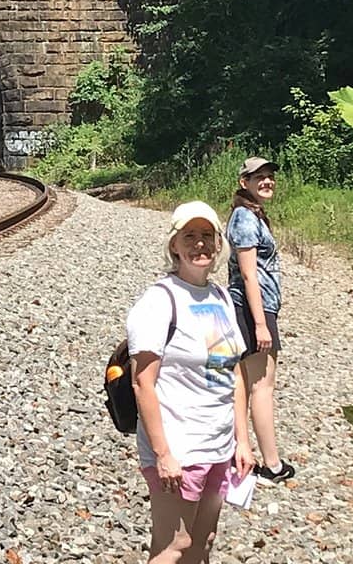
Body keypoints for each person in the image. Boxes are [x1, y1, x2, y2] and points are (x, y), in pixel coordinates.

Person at [127, 201, 255, 564]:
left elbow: (233, 370)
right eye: (190, 236)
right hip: (179, 449)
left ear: (218, 245)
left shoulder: (220, 297)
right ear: (174, 245)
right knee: (174, 546)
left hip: (218, 445)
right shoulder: (159, 301)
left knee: (203, 542)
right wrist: (163, 454)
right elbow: (143, 384)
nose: (199, 245)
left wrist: (241, 440)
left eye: (206, 236)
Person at [226, 157, 295, 484]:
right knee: (262, 386)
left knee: (248, 383)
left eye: (269, 177)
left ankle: (245, 455)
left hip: (256, 309)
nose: (266, 182)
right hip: (254, 309)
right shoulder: (243, 218)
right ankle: (271, 465)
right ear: (244, 182)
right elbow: (249, 275)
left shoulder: (251, 215)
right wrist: (260, 324)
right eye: (259, 178)